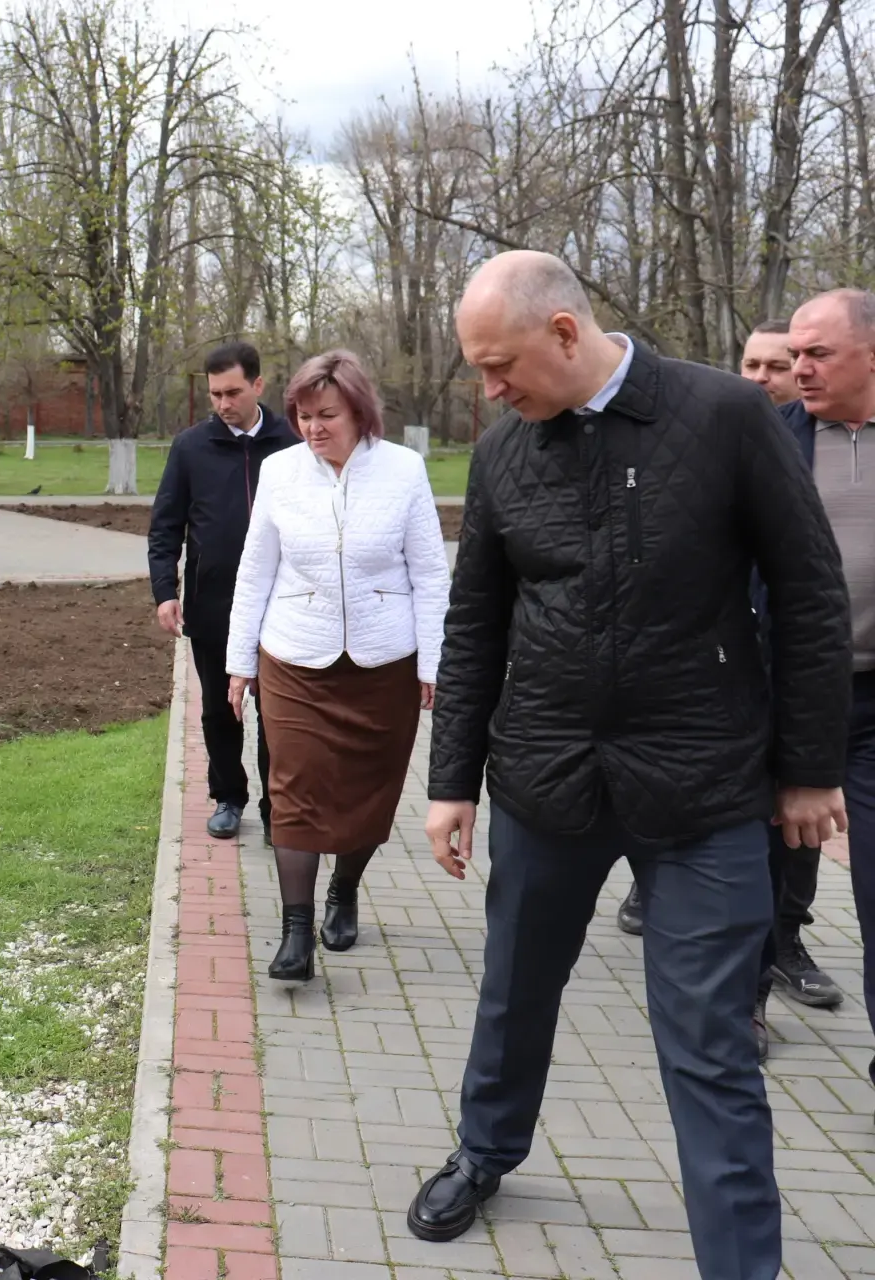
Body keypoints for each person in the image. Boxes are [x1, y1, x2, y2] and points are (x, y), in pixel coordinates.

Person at [408, 251, 849, 1280]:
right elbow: (473, 624)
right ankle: (485, 1148)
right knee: (515, 988)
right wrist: (447, 782)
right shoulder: (505, 451)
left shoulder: (723, 418)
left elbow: (812, 592)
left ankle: (742, 1262)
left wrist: (807, 767)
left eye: (499, 363)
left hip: (703, 789)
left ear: (565, 332)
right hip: (548, 781)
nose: (490, 388)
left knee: (712, 1043)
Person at [616, 315, 846, 1034]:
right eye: (761, 362)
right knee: (756, 829)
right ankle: (743, 986)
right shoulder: (752, 438)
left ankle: (786, 940)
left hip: (832, 674)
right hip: (744, 668)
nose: (770, 377)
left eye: (784, 363)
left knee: (803, 824)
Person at [224, 350, 450, 980]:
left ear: (359, 412)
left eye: (327, 415)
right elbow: (255, 569)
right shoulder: (280, 472)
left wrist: (434, 662)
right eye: (302, 415)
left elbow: (431, 574)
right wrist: (240, 662)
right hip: (295, 656)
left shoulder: (403, 471)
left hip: (384, 662)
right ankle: (295, 934)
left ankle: (344, 890)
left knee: (368, 796)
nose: (313, 427)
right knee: (292, 788)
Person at [148, 340, 300, 840]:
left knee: (276, 712)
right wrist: (165, 590)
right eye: (214, 394)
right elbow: (166, 524)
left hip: (283, 607)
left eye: (233, 391)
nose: (223, 403)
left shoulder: (293, 443)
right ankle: (228, 797)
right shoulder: (191, 447)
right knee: (220, 709)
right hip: (213, 606)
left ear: (259, 385)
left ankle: (279, 806)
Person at [782, 289, 875, 1080]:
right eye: (794, 353)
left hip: (873, 702)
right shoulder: (771, 440)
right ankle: (740, 1006)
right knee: (750, 870)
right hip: (779, 694)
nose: (798, 368)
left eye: (818, 353)